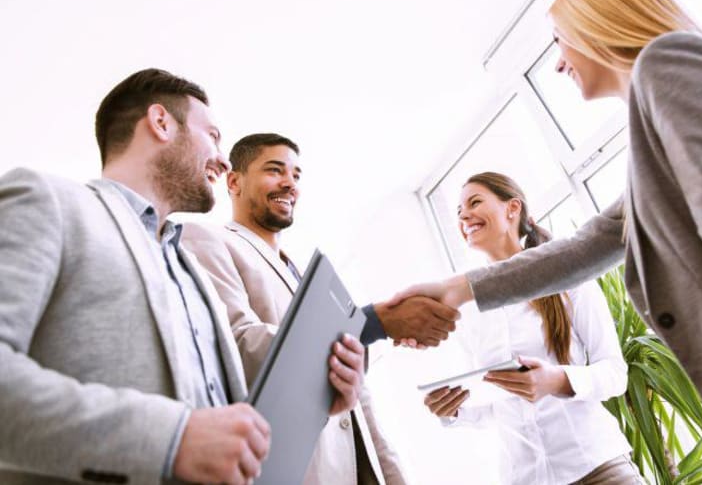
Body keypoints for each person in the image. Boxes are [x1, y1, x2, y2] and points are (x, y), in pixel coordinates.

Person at [391, 0, 702, 480]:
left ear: (599, 23)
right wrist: (454, 290)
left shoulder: (669, 62)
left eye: (560, 40)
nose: (558, 63)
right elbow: (589, 245)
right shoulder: (653, 117)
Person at [0, 69, 360, 485]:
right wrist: (167, 438)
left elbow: (224, 427)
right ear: (161, 122)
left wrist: (315, 397)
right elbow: (183, 436)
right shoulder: (48, 201)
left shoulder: (196, 274)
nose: (224, 160)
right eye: (213, 136)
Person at [183, 133, 426, 484]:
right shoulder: (207, 239)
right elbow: (236, 344)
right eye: (274, 170)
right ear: (234, 181)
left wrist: (391, 474)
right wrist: (369, 324)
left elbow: (359, 396)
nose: (289, 183)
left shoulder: (304, 272)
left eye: (296, 175)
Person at [423, 172, 640, 484]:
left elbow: (615, 374)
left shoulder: (569, 278)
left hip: (596, 467)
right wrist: (453, 410)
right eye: (458, 211)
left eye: (474, 202)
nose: (464, 216)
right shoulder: (468, 310)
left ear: (512, 208)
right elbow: (496, 407)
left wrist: (558, 380)